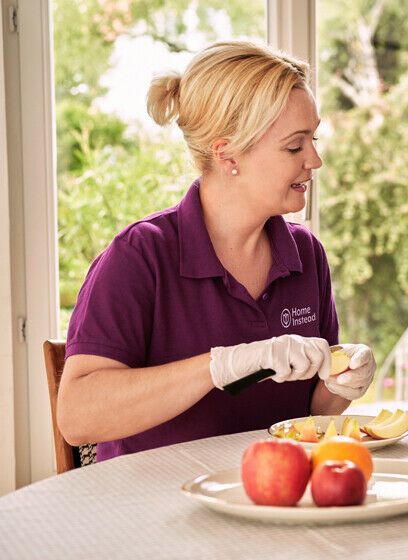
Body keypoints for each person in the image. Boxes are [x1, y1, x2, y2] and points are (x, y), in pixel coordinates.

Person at [58, 41, 376, 461]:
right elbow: (78, 416)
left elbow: (312, 415)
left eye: (313, 139)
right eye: (295, 146)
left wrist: (341, 383)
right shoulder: (140, 256)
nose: (314, 160)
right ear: (227, 154)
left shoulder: (306, 256)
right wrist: (219, 366)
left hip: (274, 499)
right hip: (149, 508)